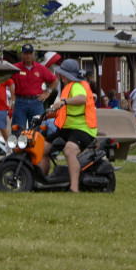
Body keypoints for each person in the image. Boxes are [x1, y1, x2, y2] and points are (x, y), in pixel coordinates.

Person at [41, 58, 98, 193]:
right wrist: (47, 114)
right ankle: (42, 181)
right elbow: (66, 110)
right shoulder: (67, 86)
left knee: (69, 150)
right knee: (42, 149)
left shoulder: (78, 85)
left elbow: (81, 99)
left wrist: (64, 102)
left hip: (84, 128)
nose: (60, 76)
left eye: (62, 73)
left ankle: (74, 188)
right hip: (67, 128)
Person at [10, 44, 56, 133]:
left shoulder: (41, 68)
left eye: (30, 53)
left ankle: (35, 147)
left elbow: (54, 81)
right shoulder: (15, 68)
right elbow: (5, 80)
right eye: (25, 53)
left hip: (36, 102)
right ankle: (16, 146)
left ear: (33, 54)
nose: (28, 56)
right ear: (21, 55)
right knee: (17, 129)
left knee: (37, 130)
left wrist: (47, 92)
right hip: (20, 102)